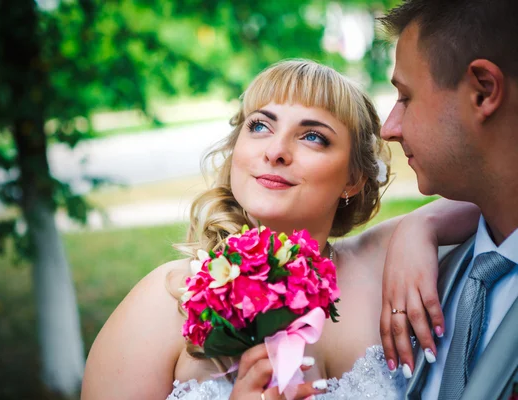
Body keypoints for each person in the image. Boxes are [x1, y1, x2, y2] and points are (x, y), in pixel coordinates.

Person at [80, 59, 479, 400]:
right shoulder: (167, 301)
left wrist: (422, 223)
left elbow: (496, 193)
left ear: (353, 179)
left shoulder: (384, 261)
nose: (276, 151)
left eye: (312, 137)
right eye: (259, 126)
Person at [378, 1, 518, 399]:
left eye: (405, 97)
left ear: (483, 91)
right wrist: (418, 223)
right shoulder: (429, 272)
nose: (389, 128)